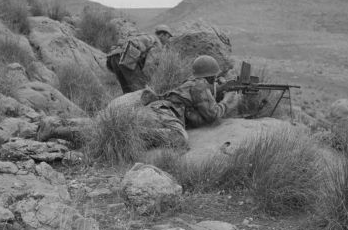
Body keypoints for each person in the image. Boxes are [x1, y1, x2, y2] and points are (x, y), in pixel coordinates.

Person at [37, 54, 239, 150]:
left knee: (102, 127)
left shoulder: (192, 82)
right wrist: (230, 100)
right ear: (211, 76)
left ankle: (54, 126)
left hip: (156, 109)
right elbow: (212, 115)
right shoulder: (200, 85)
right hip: (165, 115)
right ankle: (134, 134)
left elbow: (196, 115)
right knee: (179, 139)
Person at [106, 25, 173, 93]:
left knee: (127, 90)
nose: (168, 40)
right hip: (127, 57)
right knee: (140, 91)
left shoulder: (145, 36)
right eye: (168, 37)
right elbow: (150, 64)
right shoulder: (157, 43)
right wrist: (147, 81)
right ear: (162, 35)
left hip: (114, 56)